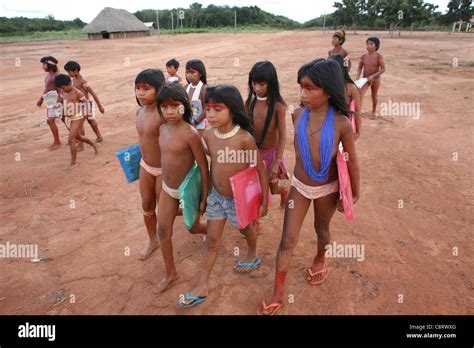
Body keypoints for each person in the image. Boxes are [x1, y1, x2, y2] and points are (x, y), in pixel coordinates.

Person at [258, 59, 360, 315]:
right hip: (300, 186)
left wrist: (353, 192)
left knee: (321, 228)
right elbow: (298, 147)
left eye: (310, 89)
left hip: (327, 188)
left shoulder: (342, 123)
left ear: (328, 90)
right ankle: (278, 292)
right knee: (287, 239)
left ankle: (320, 258)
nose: (303, 95)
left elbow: (352, 161)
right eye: (301, 88)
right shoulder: (297, 114)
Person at [179, 85, 269, 308]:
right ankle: (202, 286)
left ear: (233, 109)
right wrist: (204, 194)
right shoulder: (208, 135)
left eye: (217, 109)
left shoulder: (244, 138)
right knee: (212, 241)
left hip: (237, 199)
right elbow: (211, 162)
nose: (210, 114)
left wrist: (265, 201)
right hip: (216, 197)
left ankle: (252, 253)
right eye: (208, 109)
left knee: (245, 228)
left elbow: (259, 169)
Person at [153, 83, 209, 293]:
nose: (169, 111)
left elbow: (203, 166)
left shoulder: (191, 134)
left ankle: (212, 233)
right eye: (164, 107)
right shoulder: (161, 129)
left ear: (184, 107)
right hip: (168, 189)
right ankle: (171, 273)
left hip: (188, 191)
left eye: (174, 106)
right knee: (162, 229)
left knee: (192, 227)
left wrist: (204, 196)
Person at [245, 61, 289, 209]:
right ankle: (254, 220)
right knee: (254, 188)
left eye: (262, 84)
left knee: (273, 188)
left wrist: (276, 163)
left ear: (271, 83)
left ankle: (283, 191)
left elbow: (283, 136)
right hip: (254, 153)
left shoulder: (278, 106)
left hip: (271, 155)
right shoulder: (249, 103)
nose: (257, 88)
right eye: (254, 83)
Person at [135, 69, 166, 261]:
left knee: (165, 211)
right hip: (145, 166)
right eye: (138, 88)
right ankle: (153, 240)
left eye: (146, 89)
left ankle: (195, 221)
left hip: (163, 170)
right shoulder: (139, 111)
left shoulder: (164, 115)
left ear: (159, 90)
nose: (140, 93)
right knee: (147, 205)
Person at [54, 74, 98, 169]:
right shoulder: (63, 91)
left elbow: (86, 103)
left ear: (68, 84)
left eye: (63, 87)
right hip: (68, 118)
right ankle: (93, 144)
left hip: (77, 117)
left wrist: (86, 114)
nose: (62, 89)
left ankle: (73, 163)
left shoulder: (77, 92)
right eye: (61, 88)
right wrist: (58, 106)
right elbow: (62, 100)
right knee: (79, 137)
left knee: (71, 140)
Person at [64, 61, 105, 144]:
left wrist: (100, 106)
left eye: (69, 72)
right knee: (91, 122)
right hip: (80, 105)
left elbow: (92, 93)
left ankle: (81, 142)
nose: (68, 74)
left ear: (75, 71)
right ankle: (98, 136)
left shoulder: (83, 81)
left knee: (84, 123)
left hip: (85, 105)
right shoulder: (73, 81)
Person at [329, 54, 362, 140]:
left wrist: (358, 131)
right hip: (327, 127)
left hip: (344, 129)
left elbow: (357, 111)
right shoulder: (324, 86)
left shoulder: (350, 87)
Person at [357, 37, 385, 117]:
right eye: (367, 44)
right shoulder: (363, 56)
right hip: (365, 79)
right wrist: (358, 76)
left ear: (376, 46)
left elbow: (383, 69)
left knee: (374, 95)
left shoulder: (379, 56)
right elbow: (360, 67)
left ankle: (373, 111)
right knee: (360, 94)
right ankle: (358, 111)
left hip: (375, 79)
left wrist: (373, 76)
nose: (368, 46)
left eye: (371, 44)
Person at [37, 56, 61, 149]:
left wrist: (58, 104)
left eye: (44, 64)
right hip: (50, 100)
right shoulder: (48, 75)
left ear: (50, 65)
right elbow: (47, 89)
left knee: (51, 120)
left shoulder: (56, 76)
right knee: (51, 120)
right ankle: (74, 137)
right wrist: (41, 99)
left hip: (56, 101)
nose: (42, 66)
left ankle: (58, 142)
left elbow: (60, 91)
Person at [184, 59, 208, 134]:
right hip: (187, 124)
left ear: (200, 74)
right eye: (187, 72)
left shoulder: (203, 88)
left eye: (193, 72)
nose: (189, 75)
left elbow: (206, 108)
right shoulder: (185, 87)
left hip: (200, 126)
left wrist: (195, 122)